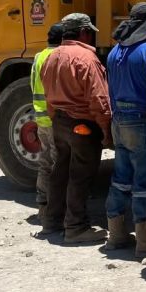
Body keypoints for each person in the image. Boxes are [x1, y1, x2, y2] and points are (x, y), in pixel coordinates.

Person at [39, 13, 112, 243]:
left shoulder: (51, 57)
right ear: (83, 32)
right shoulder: (86, 58)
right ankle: (76, 227)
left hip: (59, 121)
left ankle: (52, 221)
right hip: (82, 124)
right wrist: (106, 130)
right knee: (81, 175)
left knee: (60, 171)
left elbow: (47, 94)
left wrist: (56, 118)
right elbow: (99, 99)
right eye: (89, 33)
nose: (91, 37)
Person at [103, 3, 146, 258]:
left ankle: (116, 234)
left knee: (121, 178)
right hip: (142, 122)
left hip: (119, 121)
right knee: (145, 182)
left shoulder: (114, 52)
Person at [31, 22, 66, 219]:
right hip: (54, 119)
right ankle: (55, 211)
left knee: (45, 163)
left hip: (40, 117)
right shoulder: (58, 57)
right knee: (58, 164)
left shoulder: (39, 56)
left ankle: (43, 205)